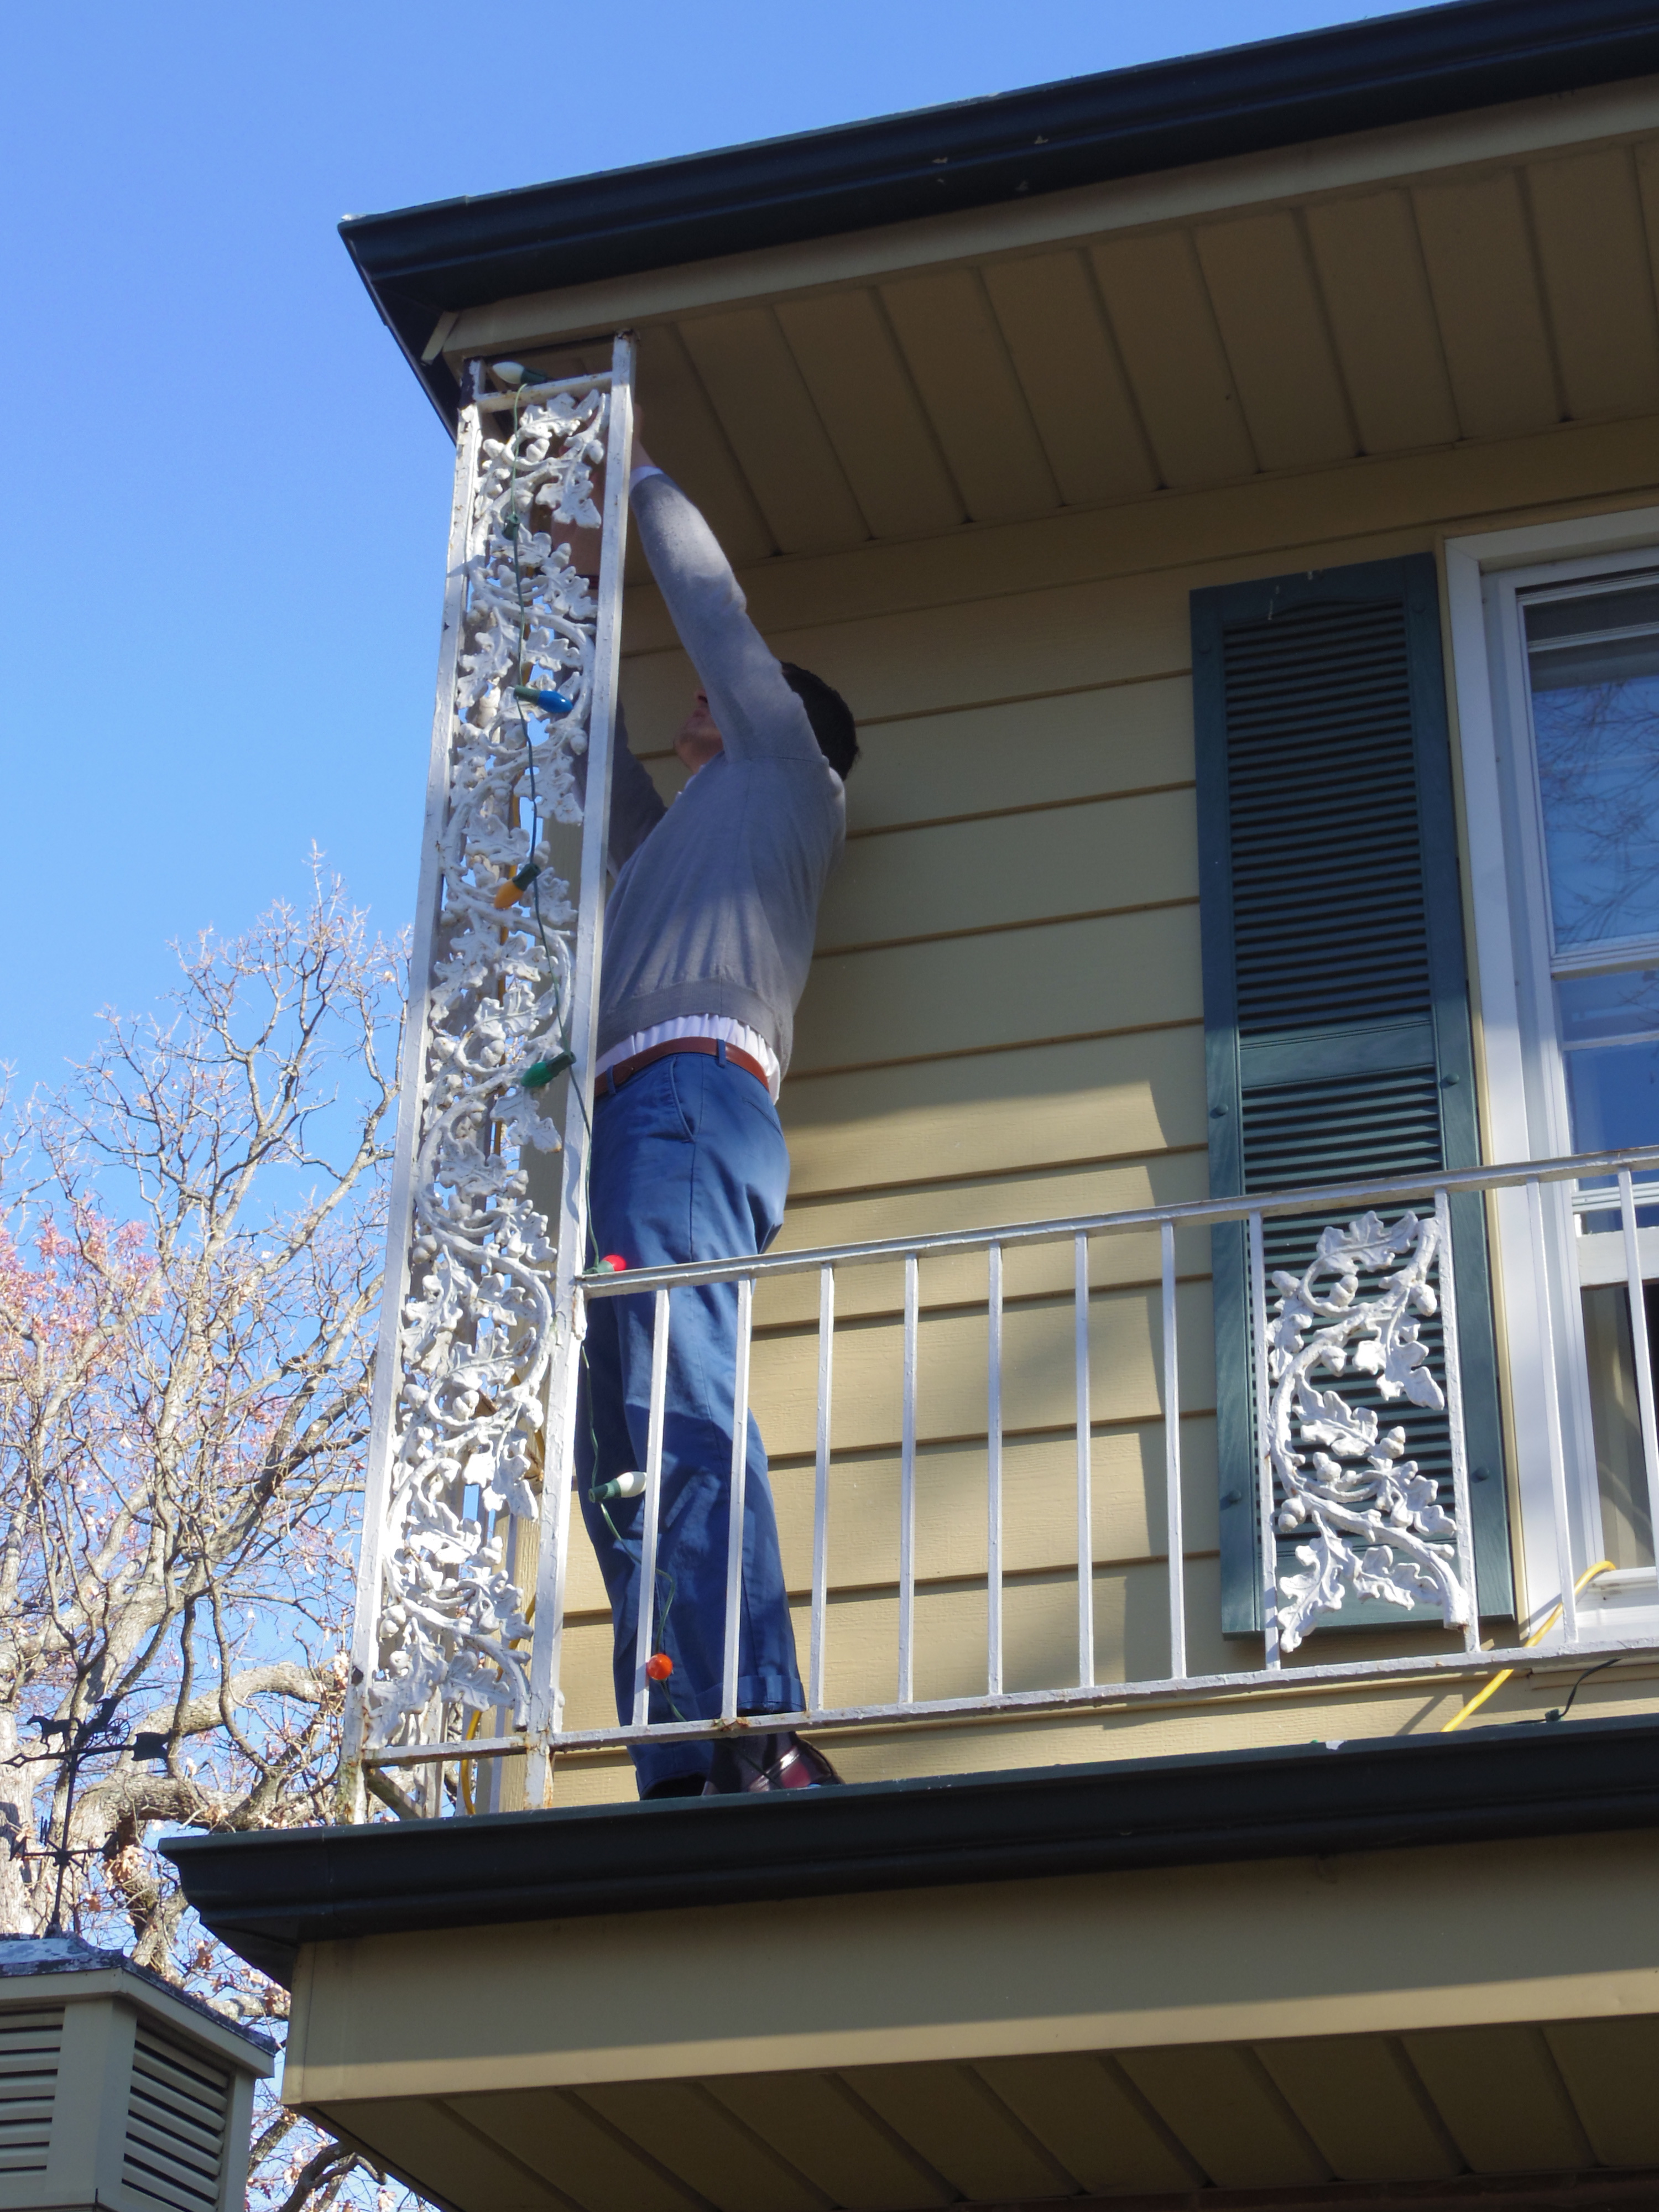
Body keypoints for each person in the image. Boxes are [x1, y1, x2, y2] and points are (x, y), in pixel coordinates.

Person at [573, 434, 858, 1799]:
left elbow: (714, 611)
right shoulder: (683, 840)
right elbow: (593, 770)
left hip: (690, 1096)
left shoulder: (788, 779)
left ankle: (763, 1727)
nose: (702, 690)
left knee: (681, 1404)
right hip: (631, 1120)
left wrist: (632, 478)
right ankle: (683, 1752)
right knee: (618, 1460)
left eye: (733, 691)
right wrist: (561, 592)